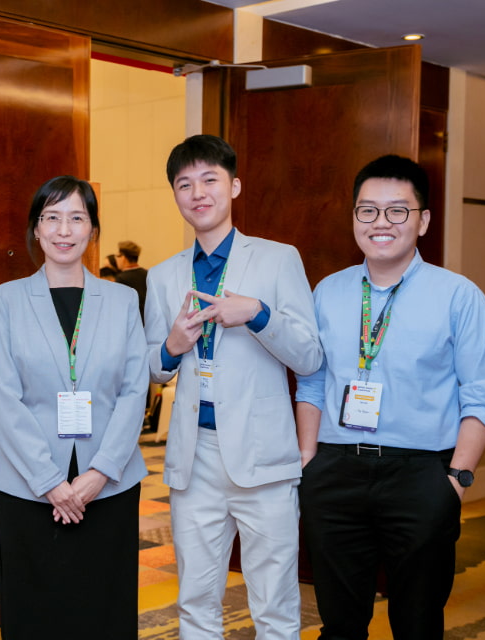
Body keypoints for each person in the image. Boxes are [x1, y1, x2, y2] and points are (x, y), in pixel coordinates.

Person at [295, 155, 485, 640]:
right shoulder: (328, 291)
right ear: (354, 217)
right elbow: (311, 381)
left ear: (423, 220)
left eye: (397, 211)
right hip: (335, 473)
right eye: (367, 211)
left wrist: (455, 479)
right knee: (339, 622)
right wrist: (309, 461)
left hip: (421, 476)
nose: (380, 223)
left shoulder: (459, 295)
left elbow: (483, 395)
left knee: (416, 623)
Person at [144, 134, 322, 640]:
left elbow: (309, 355)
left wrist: (259, 314)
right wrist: (172, 346)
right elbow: (151, 371)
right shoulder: (163, 277)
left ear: (234, 186)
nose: (197, 193)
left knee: (275, 605)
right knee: (196, 602)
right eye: (185, 184)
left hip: (264, 457)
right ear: (175, 195)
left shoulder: (277, 259)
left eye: (209, 180)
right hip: (193, 458)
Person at [0, 175, 149, 640]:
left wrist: (100, 472)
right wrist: (51, 482)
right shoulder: (6, 300)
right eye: (51, 218)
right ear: (36, 229)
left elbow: (135, 392)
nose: (63, 229)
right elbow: (4, 397)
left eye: (77, 218)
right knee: (36, 613)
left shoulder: (122, 300)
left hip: (109, 488)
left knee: (104, 609)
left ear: (93, 230)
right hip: (28, 487)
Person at [114, 240, 147, 319]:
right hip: (147, 320)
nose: (116, 259)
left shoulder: (122, 278)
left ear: (124, 257)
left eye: (118, 256)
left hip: (131, 320)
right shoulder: (148, 274)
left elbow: (119, 305)